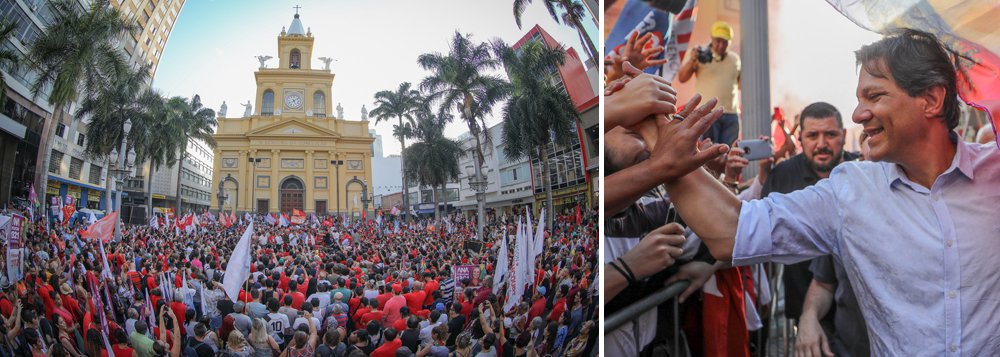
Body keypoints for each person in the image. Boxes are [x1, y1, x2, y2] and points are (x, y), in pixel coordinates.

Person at [659, 29, 1000, 355]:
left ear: (931, 99)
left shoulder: (994, 173)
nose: (858, 114)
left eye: (875, 96)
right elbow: (732, 230)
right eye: (858, 99)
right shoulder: (850, 191)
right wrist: (659, 140)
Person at [678, 20, 741, 146]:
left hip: (731, 114)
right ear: (711, 39)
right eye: (718, 41)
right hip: (708, 111)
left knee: (728, 152)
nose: (721, 45)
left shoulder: (735, 59)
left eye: (725, 42)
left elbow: (739, 84)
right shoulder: (699, 53)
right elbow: (682, 78)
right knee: (708, 150)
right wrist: (692, 60)